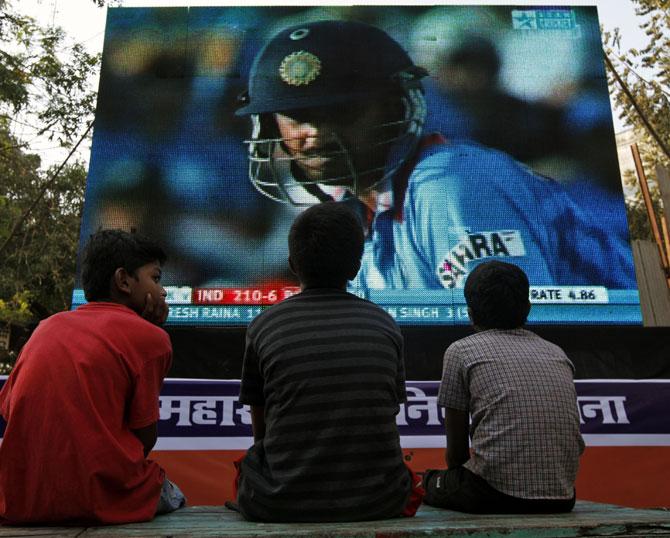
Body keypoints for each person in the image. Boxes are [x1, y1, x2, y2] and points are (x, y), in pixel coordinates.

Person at [235, 19, 636, 291]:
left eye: (341, 112)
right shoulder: (357, 210)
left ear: (395, 109)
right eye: (298, 117)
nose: (316, 133)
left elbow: (515, 342)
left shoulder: (449, 186)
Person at [234, 202, 424, 522]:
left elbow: (261, 434)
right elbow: (386, 413)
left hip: (280, 503)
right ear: (356, 267)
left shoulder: (264, 325)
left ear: (293, 264)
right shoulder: (385, 324)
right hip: (380, 501)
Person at [0, 230, 185, 525]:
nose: (163, 292)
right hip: (99, 500)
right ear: (123, 280)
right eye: (156, 278)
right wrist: (148, 330)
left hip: (20, 501)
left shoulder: (47, 327)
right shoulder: (151, 338)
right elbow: (143, 441)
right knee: (176, 494)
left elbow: (10, 411)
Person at [422, 260, 584, 513]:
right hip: (562, 497)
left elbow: (456, 455)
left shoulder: (461, 351)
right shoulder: (557, 353)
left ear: (470, 312)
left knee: (426, 481)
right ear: (528, 307)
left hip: (492, 494)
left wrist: (454, 482)